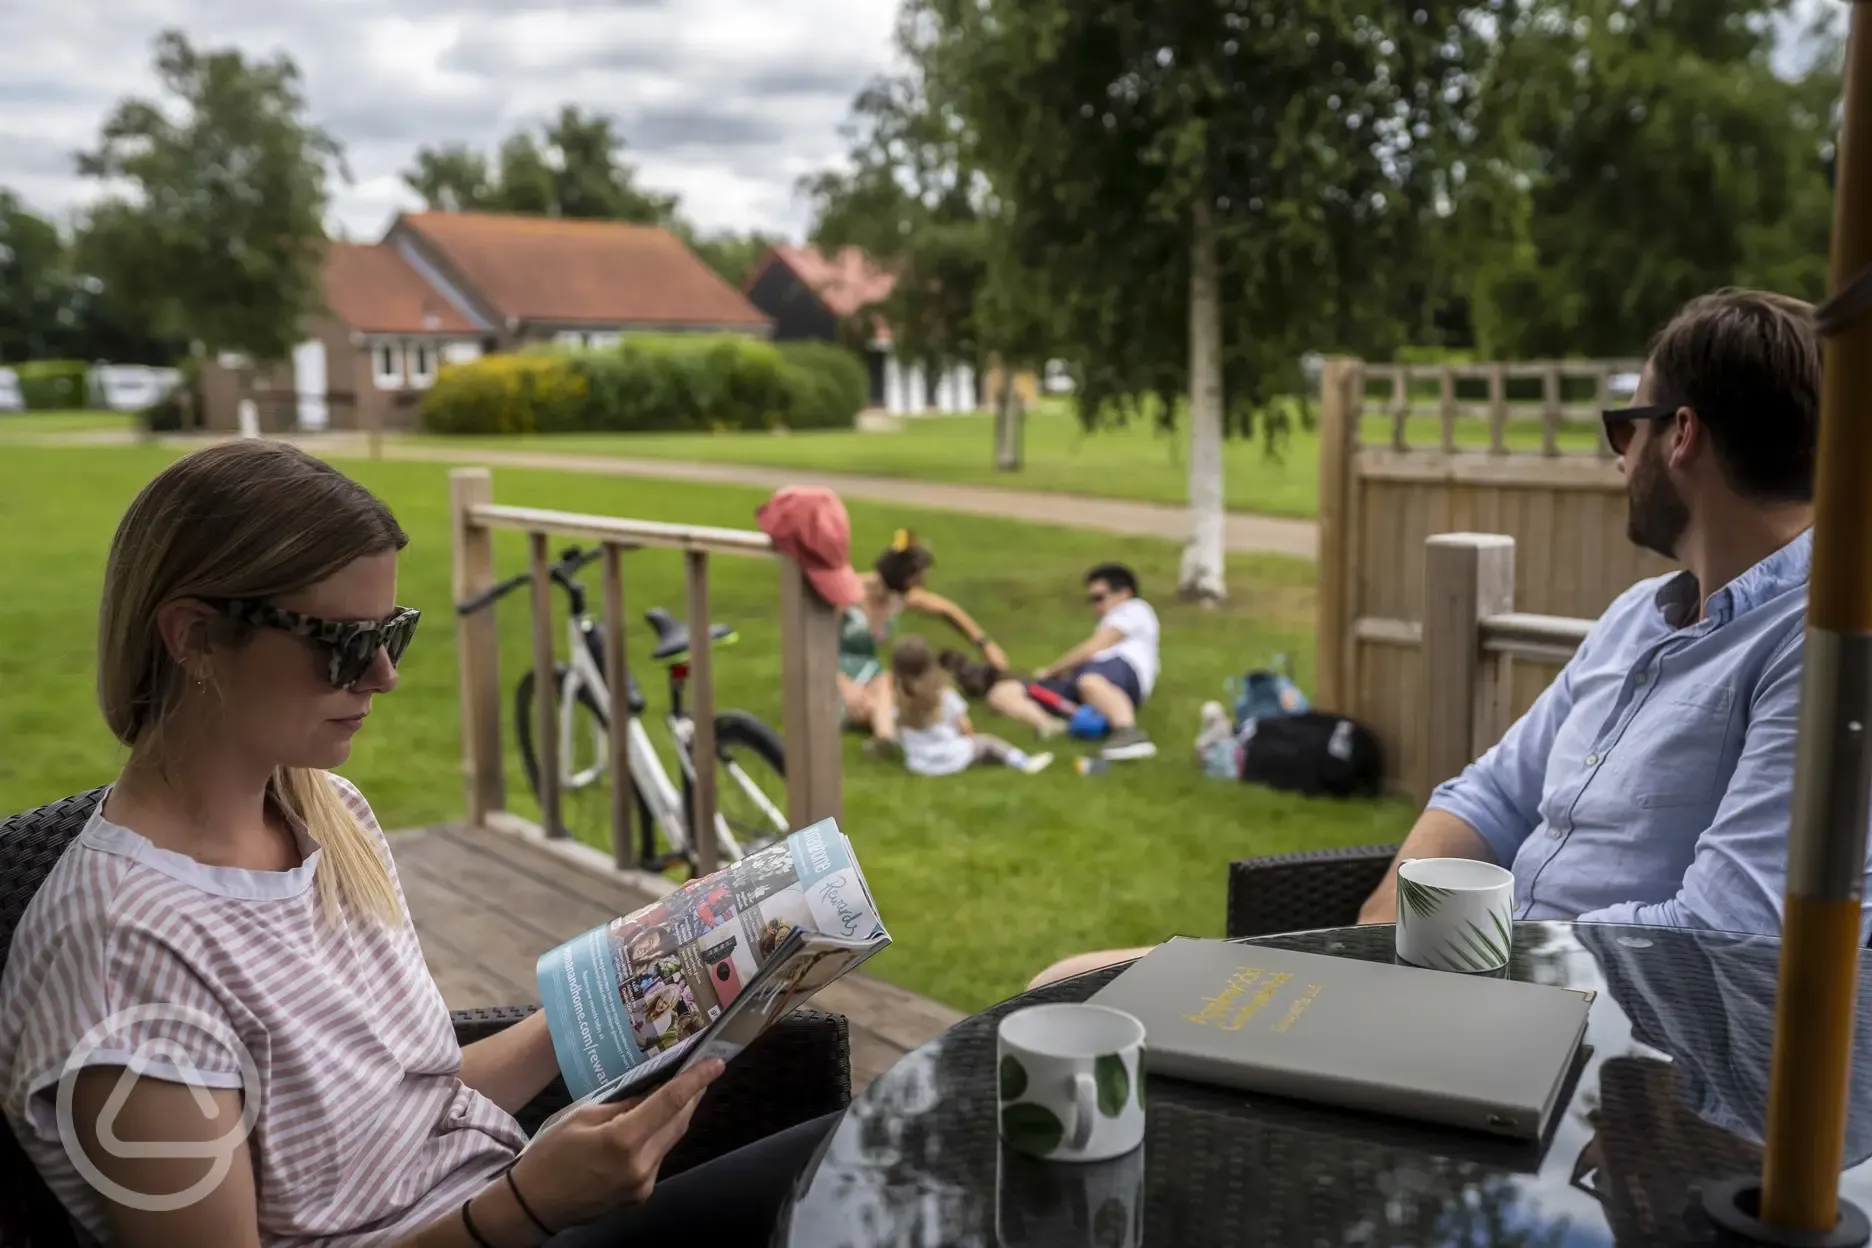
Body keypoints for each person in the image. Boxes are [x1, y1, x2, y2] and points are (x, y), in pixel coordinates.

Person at [0, 441, 833, 1248]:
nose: (384, 677)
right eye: (345, 645)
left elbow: (404, 1104)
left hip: (515, 1194)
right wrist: (526, 1208)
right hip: (513, 1217)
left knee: (872, 1152)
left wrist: (640, 978)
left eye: (390, 632)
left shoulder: (329, 817)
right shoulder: (121, 960)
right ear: (194, 636)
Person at [1023, 286, 1872, 990]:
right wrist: (1376, 939)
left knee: (1088, 1013)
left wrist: (1446, 964)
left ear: (1680, 435)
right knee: (1067, 986)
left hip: (1596, 1057)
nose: (1618, 457)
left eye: (1624, 427)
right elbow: (1490, 796)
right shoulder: (1638, 616)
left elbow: (1722, 937)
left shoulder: (1824, 652)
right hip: (1457, 991)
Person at [755, 487, 1008, 747]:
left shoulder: (902, 598)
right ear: (903, 575)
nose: (920, 585)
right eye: (917, 578)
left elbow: (948, 611)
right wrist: (846, 688)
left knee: (912, 690)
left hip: (874, 677)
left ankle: (894, 735)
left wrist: (985, 644)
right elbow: (819, 647)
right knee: (878, 707)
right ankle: (902, 732)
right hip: (836, 673)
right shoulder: (849, 592)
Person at [989, 563, 1161, 761]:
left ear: (1124, 593)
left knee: (1090, 681)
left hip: (1124, 674)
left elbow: (1091, 649)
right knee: (1002, 692)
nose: (1096, 606)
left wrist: (1051, 672)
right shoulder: (1108, 626)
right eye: (1092, 600)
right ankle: (1053, 725)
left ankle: (1128, 734)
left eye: (1099, 598)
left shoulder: (1135, 608)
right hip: (1088, 678)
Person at [890, 636, 1053, 777]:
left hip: (919, 763)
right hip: (952, 757)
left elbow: (898, 731)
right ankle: (1024, 762)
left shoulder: (898, 701)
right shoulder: (944, 695)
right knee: (988, 743)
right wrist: (969, 740)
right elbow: (964, 726)